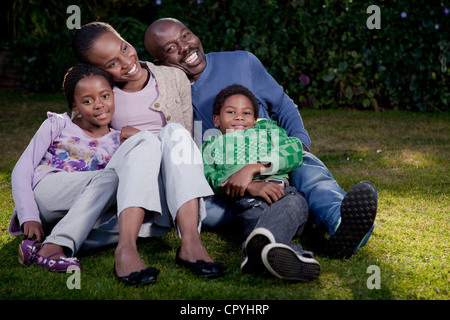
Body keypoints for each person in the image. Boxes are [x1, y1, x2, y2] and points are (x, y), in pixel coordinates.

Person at [144, 17, 378, 259]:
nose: (185, 47)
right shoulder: (168, 97)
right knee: (205, 211)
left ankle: (340, 222)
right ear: (159, 63)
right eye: (171, 48)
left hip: (272, 157)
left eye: (185, 35)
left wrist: (299, 143)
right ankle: (289, 221)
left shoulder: (241, 61)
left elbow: (283, 105)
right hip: (229, 183)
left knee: (308, 169)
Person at [71, 21, 226, 278]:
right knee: (145, 143)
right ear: (98, 71)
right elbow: (92, 145)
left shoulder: (174, 77)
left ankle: (191, 242)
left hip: (177, 186)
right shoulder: (102, 97)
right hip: (134, 186)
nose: (126, 61)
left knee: (176, 132)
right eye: (111, 64)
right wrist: (125, 135)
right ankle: (126, 249)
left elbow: (186, 137)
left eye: (124, 48)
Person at [9, 63, 174, 285]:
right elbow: (22, 168)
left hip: (83, 208)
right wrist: (28, 216)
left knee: (144, 223)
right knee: (112, 176)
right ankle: (54, 246)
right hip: (49, 194)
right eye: (88, 101)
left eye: (105, 96)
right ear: (74, 105)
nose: (99, 105)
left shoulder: (120, 140)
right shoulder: (57, 124)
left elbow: (151, 165)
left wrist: (142, 136)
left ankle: (47, 243)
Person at [203, 84, 321, 281]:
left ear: (255, 119)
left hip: (282, 192)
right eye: (231, 112)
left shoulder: (268, 130)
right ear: (216, 119)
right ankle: (290, 255)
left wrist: (254, 168)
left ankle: (259, 254)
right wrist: (249, 186)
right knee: (255, 218)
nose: (239, 117)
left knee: (293, 205)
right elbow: (210, 176)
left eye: (246, 113)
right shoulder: (212, 144)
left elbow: (293, 150)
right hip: (248, 199)